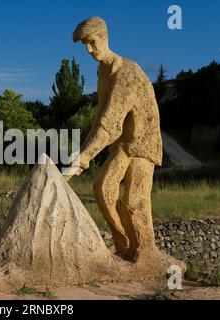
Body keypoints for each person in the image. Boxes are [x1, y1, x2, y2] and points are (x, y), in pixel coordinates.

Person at [65, 17, 163, 262]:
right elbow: (100, 118)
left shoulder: (125, 72)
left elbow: (110, 125)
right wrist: (81, 155)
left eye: (92, 42)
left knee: (133, 201)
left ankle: (146, 253)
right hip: (123, 144)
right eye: (85, 45)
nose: (89, 50)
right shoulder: (104, 72)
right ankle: (123, 244)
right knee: (103, 188)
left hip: (142, 143)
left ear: (105, 37)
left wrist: (84, 157)